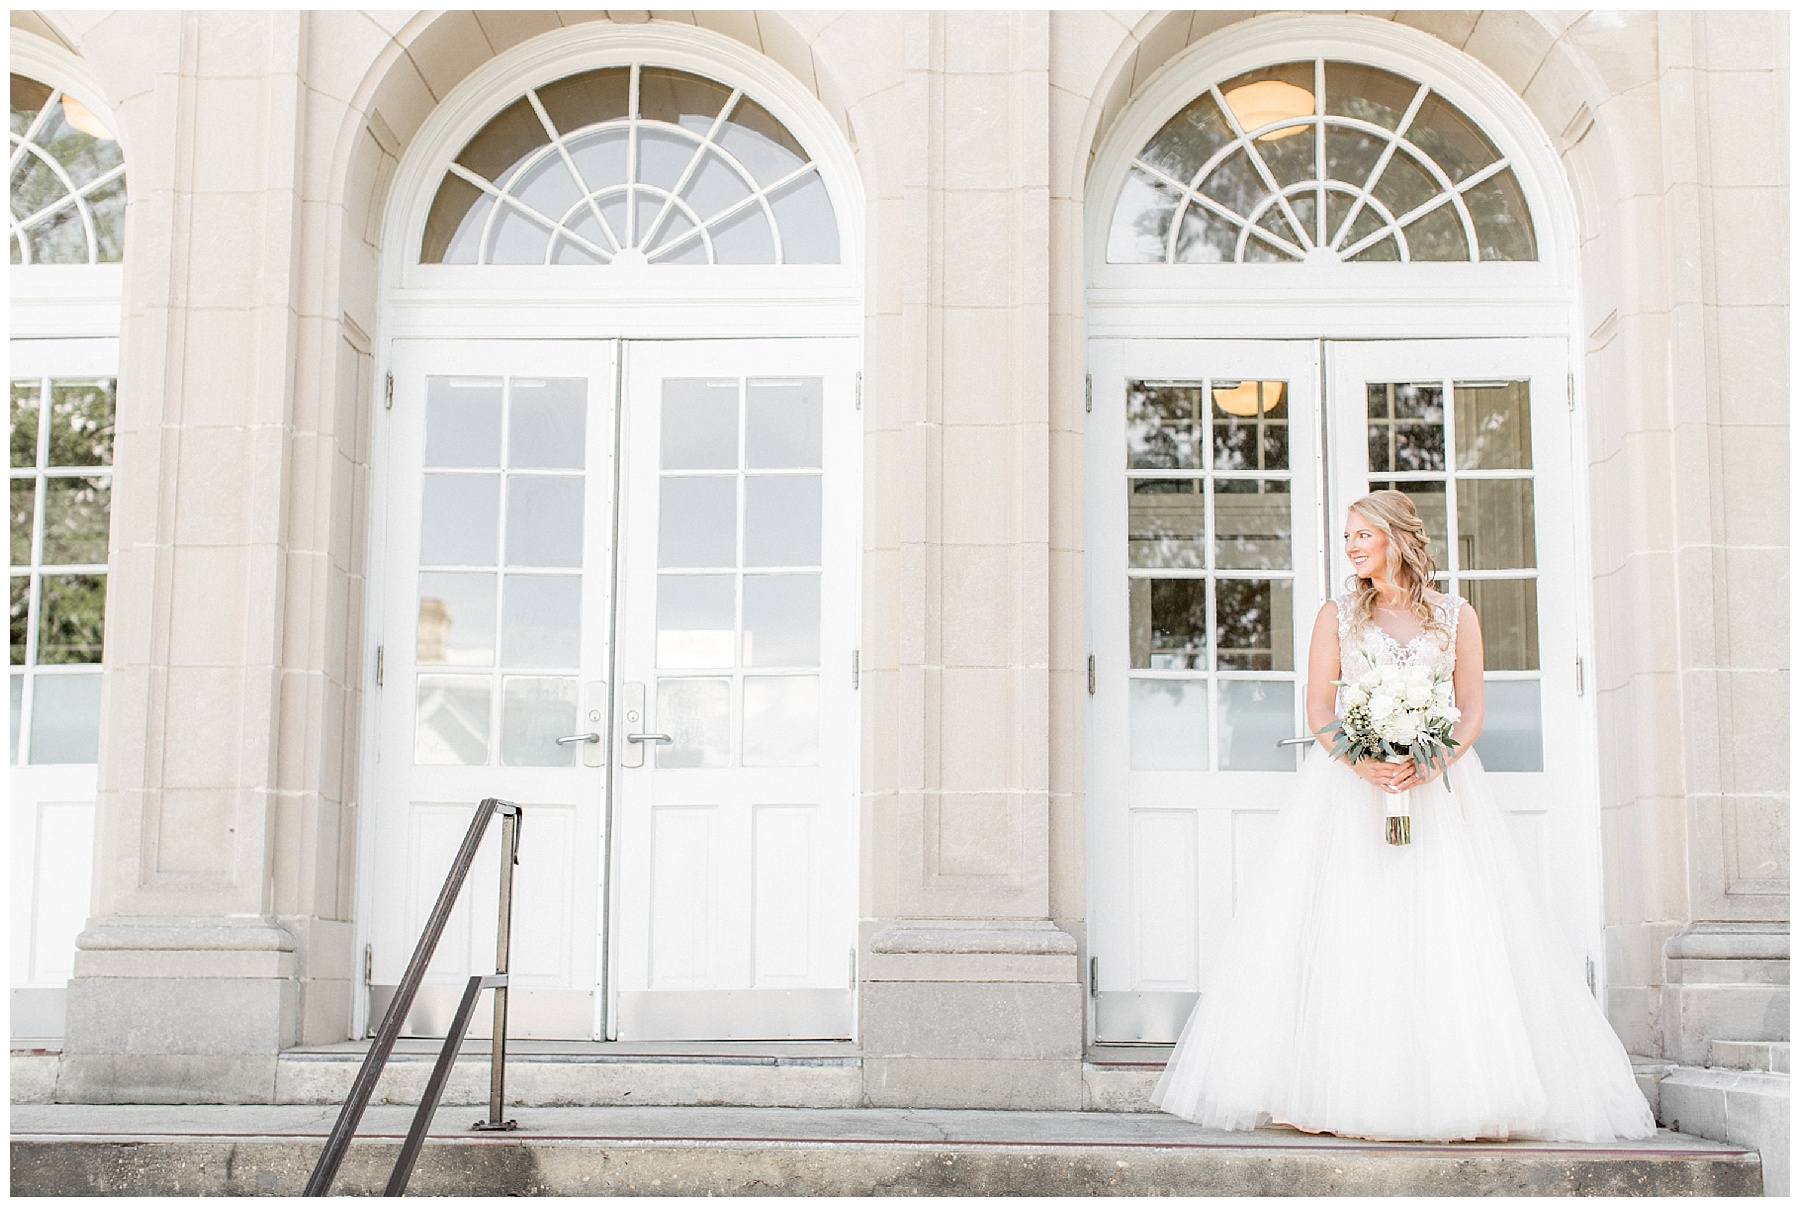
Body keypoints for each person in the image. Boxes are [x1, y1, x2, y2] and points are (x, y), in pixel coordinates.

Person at [1150, 490, 1655, 1142]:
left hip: (1439, 790)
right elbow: (1318, 709)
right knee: (1354, 925)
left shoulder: (1454, 615)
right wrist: (1361, 761)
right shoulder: (1337, 616)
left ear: (1397, 537)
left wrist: (1434, 758)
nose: (1352, 545)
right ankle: (1342, 1088)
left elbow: (1470, 708)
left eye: (1363, 534)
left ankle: (1453, 1087)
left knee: (1446, 926)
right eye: (1349, 536)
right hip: (1352, 792)